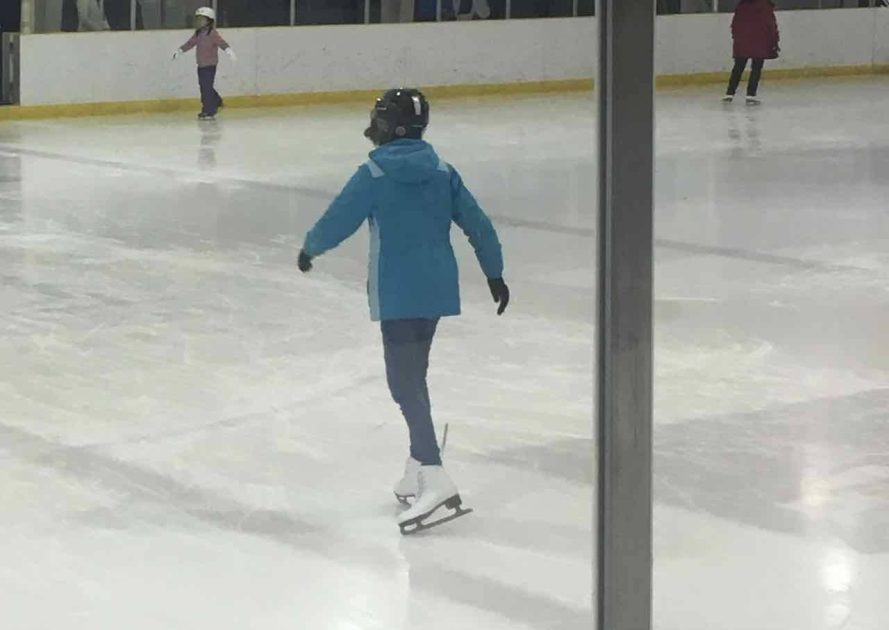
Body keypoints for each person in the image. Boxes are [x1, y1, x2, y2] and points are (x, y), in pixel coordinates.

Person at [297, 89, 509, 534]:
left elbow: (339, 218)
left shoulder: (373, 173)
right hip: (434, 292)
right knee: (415, 378)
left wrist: (310, 247)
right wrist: (494, 273)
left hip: (397, 294)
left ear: (388, 126)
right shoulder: (442, 171)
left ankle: (434, 474)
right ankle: (418, 461)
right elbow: (479, 224)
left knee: (403, 384)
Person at [172, 7, 236, 120]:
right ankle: (217, 101)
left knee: (206, 87)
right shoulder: (198, 34)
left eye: (202, 19)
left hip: (210, 65)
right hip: (201, 65)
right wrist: (180, 50)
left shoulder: (212, 34)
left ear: (209, 21)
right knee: (204, 87)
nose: (199, 22)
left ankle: (209, 110)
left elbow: (222, 43)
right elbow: (190, 43)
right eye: (198, 19)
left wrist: (228, 50)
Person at [723, 0, 779, 105]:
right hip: (760, 41)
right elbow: (770, 25)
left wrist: (737, 37)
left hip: (742, 41)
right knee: (756, 68)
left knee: (738, 67)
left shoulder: (742, 5)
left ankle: (729, 93)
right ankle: (751, 95)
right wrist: (774, 41)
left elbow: (734, 24)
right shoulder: (764, 5)